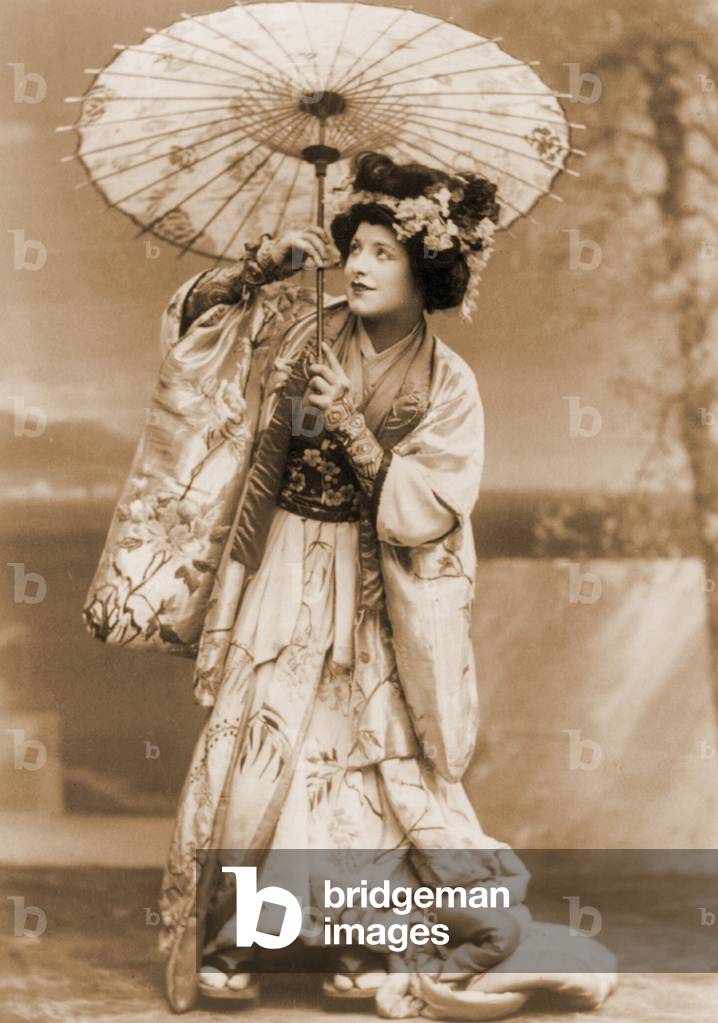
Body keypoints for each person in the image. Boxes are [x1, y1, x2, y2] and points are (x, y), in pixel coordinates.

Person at [83, 151, 531, 1014]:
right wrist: (259, 272)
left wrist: (357, 429)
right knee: (263, 756)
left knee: (358, 762)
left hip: (376, 588)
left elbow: (425, 508)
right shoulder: (302, 332)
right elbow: (221, 402)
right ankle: (230, 939)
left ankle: (358, 940)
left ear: (425, 270)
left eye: (383, 253)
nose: (359, 265)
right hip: (286, 562)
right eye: (354, 246)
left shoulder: (448, 383)